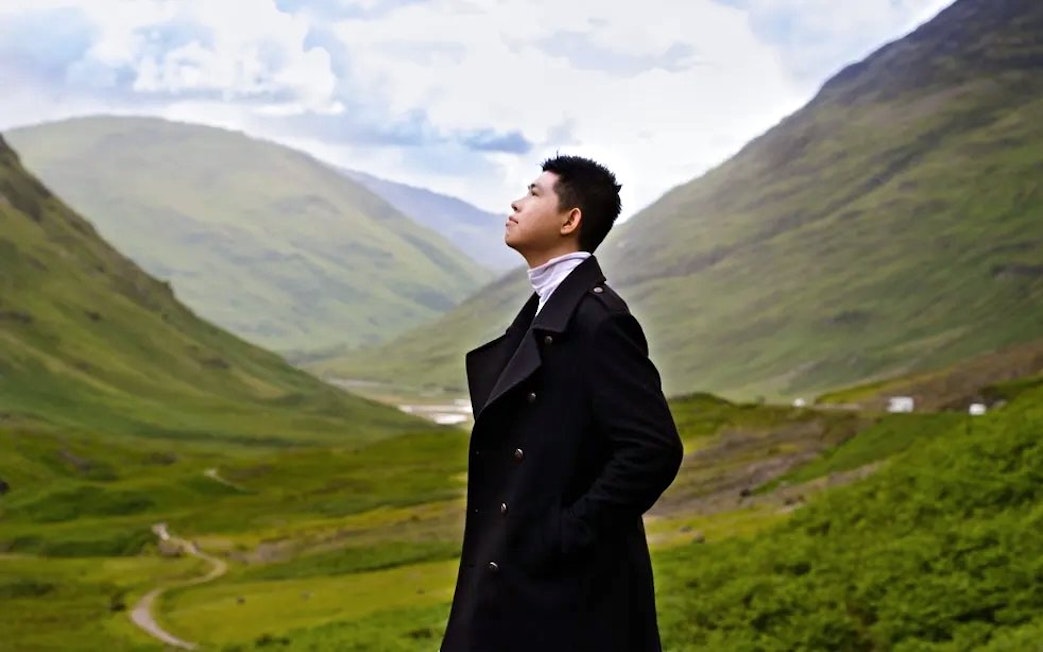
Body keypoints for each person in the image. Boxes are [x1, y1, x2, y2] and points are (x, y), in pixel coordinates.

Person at [440, 155, 684, 652]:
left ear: (570, 220)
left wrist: (561, 535)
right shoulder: (547, 306)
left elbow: (652, 449)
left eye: (533, 193)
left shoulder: (599, 320)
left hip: (563, 592)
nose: (516, 201)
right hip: (520, 575)